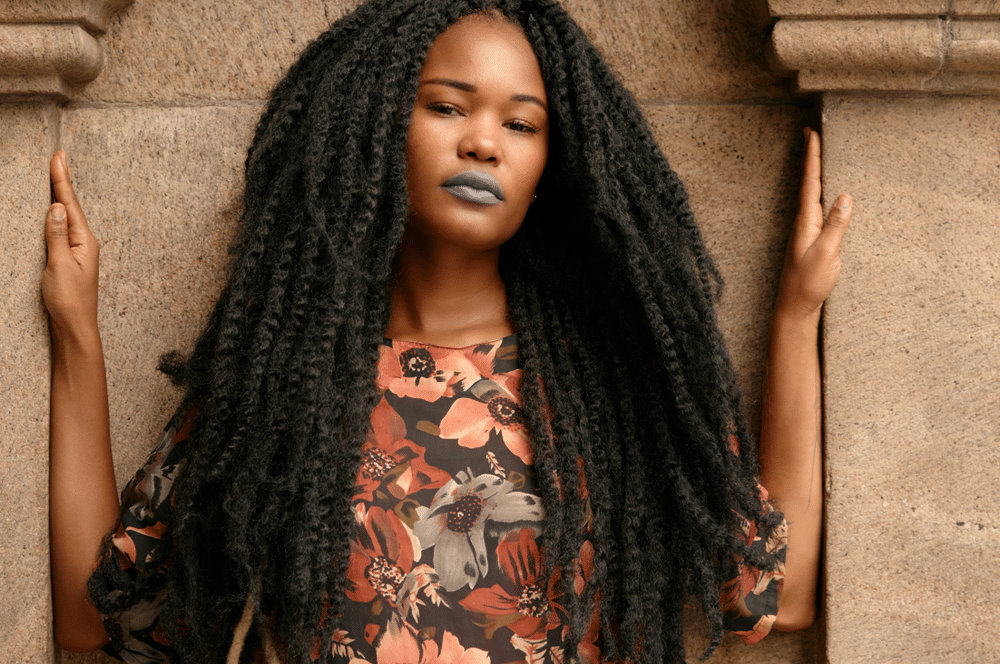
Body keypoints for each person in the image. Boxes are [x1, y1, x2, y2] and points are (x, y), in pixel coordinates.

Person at [44, 0, 851, 662]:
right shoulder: (284, 376)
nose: (482, 142)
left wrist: (795, 317)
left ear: (551, 172)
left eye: (522, 125)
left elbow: (774, 596)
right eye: (446, 106)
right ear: (373, 130)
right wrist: (78, 335)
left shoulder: (608, 383)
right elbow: (99, 618)